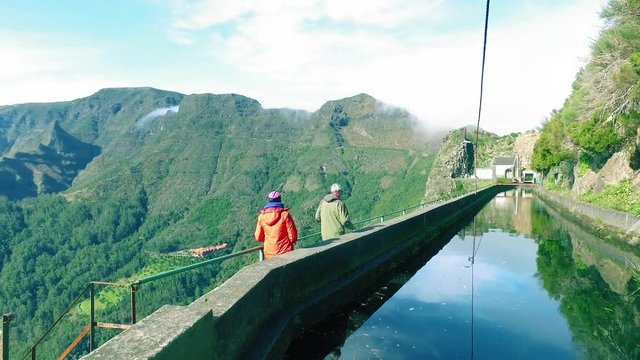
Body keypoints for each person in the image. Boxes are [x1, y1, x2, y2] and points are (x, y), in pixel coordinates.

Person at [255, 190, 298, 259]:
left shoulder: (261, 216)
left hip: (269, 253)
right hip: (285, 251)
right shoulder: (285, 214)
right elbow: (293, 237)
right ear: (280, 199)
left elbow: (258, 237)